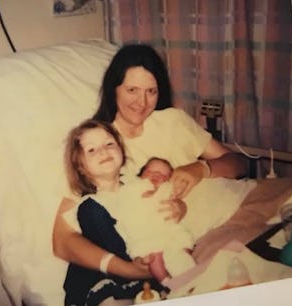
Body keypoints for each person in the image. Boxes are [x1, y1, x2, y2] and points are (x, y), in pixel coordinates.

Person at [53, 43, 250, 305]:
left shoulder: (173, 121)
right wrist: (129, 270)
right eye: (132, 90)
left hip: (230, 215)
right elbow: (62, 240)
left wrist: (202, 168)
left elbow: (239, 165)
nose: (142, 102)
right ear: (114, 90)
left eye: (151, 91)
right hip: (169, 249)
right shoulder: (102, 147)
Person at [62, 120, 196, 305]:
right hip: (104, 274)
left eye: (109, 144)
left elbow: (162, 198)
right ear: (81, 167)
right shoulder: (91, 207)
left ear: (122, 152)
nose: (103, 151)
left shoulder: (137, 184)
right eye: (91, 150)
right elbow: (114, 247)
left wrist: (180, 206)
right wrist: (143, 260)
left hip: (148, 259)